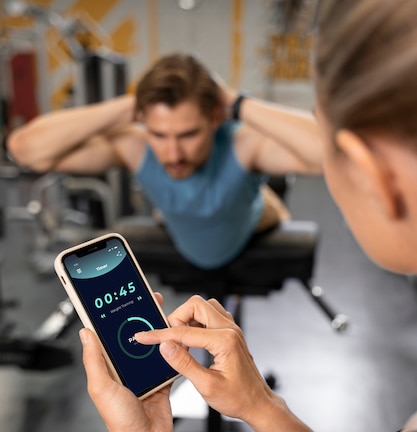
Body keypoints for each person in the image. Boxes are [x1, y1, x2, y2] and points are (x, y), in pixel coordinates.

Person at [80, 0, 417, 432]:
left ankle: (265, 210)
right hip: (188, 238)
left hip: (241, 230)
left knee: (262, 211)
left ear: (371, 170)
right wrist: (262, 409)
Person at [7, 53, 321, 270]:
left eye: (188, 135)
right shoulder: (135, 144)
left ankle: (265, 199)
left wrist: (236, 103)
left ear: (214, 117)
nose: (172, 154)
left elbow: (326, 155)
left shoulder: (243, 143)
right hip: (178, 222)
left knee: (267, 208)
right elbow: (24, 150)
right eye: (159, 134)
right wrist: (131, 106)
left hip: (249, 223)